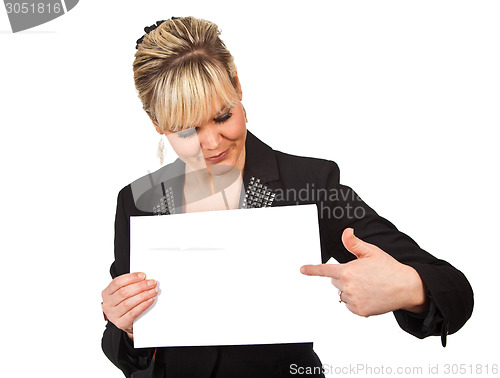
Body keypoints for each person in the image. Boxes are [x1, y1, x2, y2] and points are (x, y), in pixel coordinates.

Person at [101, 16, 473, 378]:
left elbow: (454, 290)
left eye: (223, 115)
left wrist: (408, 287)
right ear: (157, 124)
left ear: (237, 86)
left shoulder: (310, 184)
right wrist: (128, 326)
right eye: (186, 131)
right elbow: (126, 352)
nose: (212, 143)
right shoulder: (137, 202)